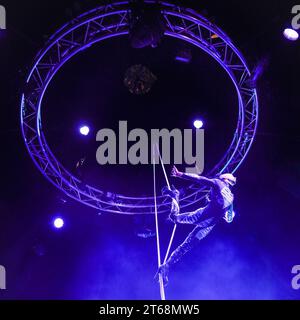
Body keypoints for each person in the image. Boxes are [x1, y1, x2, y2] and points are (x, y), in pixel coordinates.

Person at [156, 166, 237, 286]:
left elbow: (200, 179)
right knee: (186, 246)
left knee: (174, 218)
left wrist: (180, 174)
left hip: (202, 217)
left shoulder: (218, 183)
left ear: (223, 178)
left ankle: (175, 196)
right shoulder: (231, 197)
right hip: (208, 225)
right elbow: (229, 218)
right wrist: (224, 211)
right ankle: (167, 266)